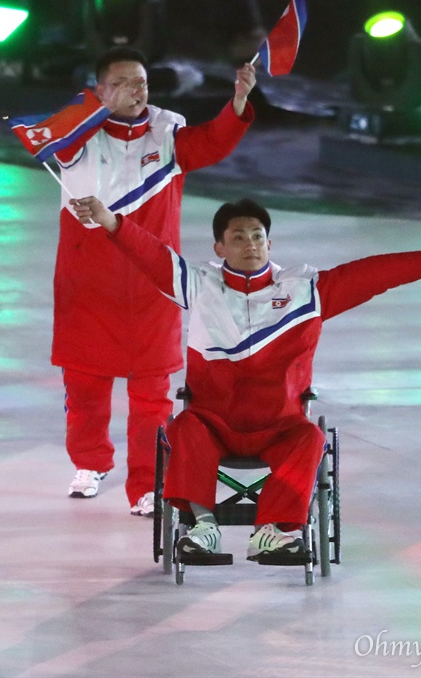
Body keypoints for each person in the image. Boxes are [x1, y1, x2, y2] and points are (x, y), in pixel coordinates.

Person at [72, 194, 421, 560]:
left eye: (257, 236)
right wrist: (111, 221)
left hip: (280, 425)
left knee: (311, 439)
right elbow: (151, 256)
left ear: (270, 243)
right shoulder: (198, 285)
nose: (249, 244)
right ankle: (203, 527)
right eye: (238, 237)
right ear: (219, 247)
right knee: (184, 427)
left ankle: (272, 532)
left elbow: (365, 277)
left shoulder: (306, 290)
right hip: (214, 422)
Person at [51, 46, 256, 516]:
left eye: (142, 82)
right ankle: (90, 463)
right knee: (85, 388)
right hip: (87, 286)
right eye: (123, 84)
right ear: (100, 90)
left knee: (151, 396)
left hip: (154, 284)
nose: (137, 91)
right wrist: (91, 110)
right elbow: (51, 139)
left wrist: (238, 104)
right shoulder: (74, 132)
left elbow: (213, 142)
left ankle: (146, 482)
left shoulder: (169, 130)